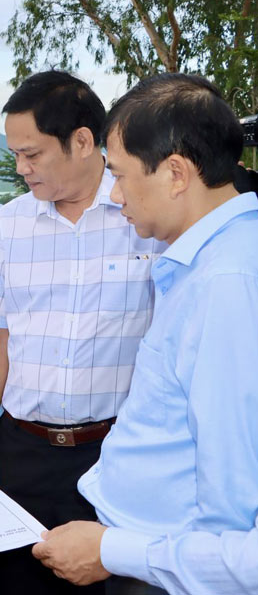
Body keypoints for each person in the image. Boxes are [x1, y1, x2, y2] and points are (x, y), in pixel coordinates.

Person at [33, 73, 258, 595]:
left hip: (173, 573)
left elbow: (236, 522)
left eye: (120, 174)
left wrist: (112, 551)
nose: (114, 194)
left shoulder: (226, 285)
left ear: (176, 173)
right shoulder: (204, 262)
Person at [0, 71, 165, 595]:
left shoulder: (143, 219)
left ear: (81, 141)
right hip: (21, 451)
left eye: (32, 154)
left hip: (114, 453)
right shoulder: (10, 224)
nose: (21, 168)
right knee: (10, 583)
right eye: (14, 155)